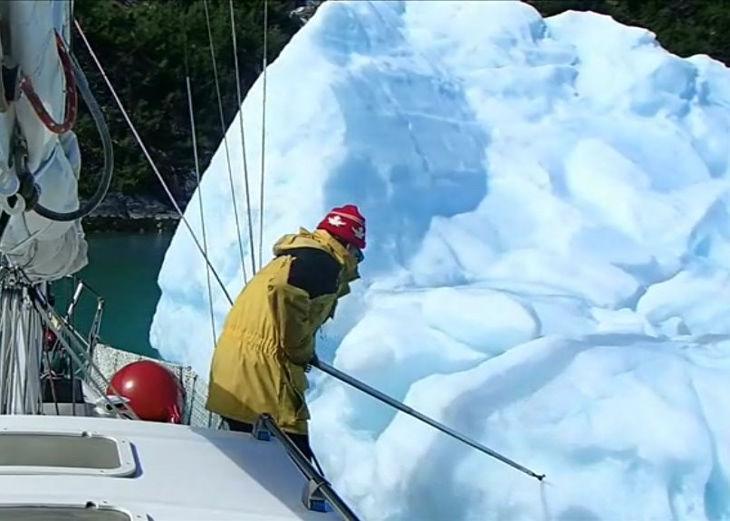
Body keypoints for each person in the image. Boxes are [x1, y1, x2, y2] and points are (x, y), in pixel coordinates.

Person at [206, 204, 366, 460]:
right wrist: (300, 350)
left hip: (237, 372)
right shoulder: (322, 262)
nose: (357, 263)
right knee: (294, 471)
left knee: (250, 465)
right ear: (348, 246)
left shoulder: (297, 254)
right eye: (359, 255)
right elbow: (285, 291)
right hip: (263, 380)